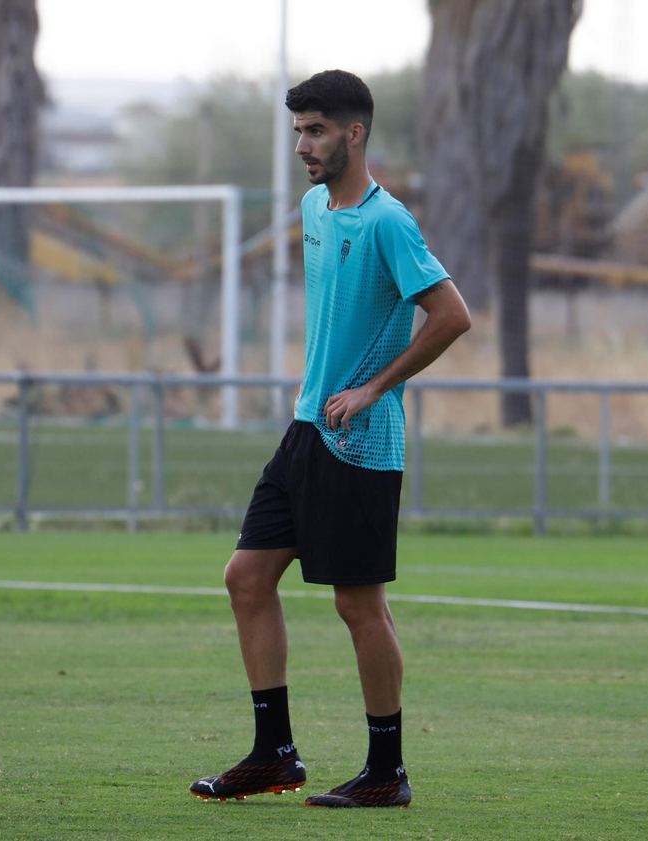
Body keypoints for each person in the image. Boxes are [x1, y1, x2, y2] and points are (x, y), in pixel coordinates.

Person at [189, 69, 472, 809]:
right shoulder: (314, 207)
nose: (303, 146)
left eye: (315, 131)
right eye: (297, 132)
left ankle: (387, 771)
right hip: (306, 429)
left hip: (361, 440)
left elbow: (451, 315)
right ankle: (274, 753)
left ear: (355, 133)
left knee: (358, 605)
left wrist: (377, 385)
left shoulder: (389, 223)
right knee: (245, 577)